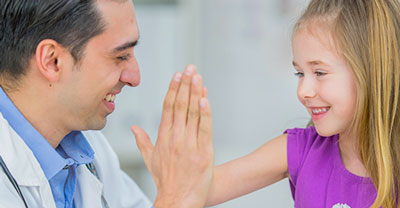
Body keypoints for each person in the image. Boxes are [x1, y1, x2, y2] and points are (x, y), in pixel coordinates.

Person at [0, 0, 213, 207]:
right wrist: (175, 202)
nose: (134, 77)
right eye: (120, 56)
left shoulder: (84, 151)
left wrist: (178, 190)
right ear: (52, 60)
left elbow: (189, 191)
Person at [194, 0, 400, 207]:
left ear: (371, 73)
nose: (302, 91)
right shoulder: (301, 149)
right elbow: (197, 190)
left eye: (319, 73)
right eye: (300, 73)